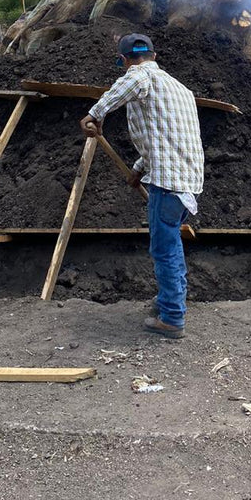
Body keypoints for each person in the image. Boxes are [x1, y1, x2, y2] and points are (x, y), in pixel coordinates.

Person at [79, 34, 204, 339]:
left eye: (124, 64)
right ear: (155, 54)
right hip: (188, 182)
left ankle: (173, 318)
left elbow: (133, 80)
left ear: (123, 61)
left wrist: (95, 113)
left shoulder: (140, 76)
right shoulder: (180, 89)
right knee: (171, 244)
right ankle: (168, 302)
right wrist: (137, 170)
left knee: (165, 250)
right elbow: (161, 140)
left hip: (167, 184)